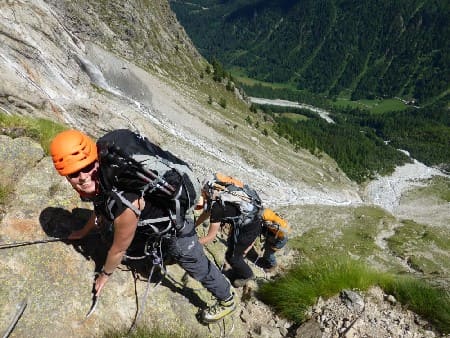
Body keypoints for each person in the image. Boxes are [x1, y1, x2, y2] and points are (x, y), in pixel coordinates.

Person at [49, 129, 235, 323]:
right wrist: (83, 231)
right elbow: (100, 204)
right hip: (151, 219)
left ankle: (227, 299)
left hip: (174, 225)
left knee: (194, 263)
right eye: (73, 174)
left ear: (96, 159)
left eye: (87, 168)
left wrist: (104, 275)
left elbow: (118, 249)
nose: (83, 177)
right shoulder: (105, 175)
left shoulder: (124, 199)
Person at [195, 176, 262, 288]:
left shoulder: (217, 207)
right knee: (231, 247)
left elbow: (210, 237)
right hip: (245, 223)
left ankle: (247, 275)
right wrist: (194, 226)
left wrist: (191, 244)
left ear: (205, 193)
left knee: (233, 257)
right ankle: (238, 270)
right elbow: (206, 213)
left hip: (249, 228)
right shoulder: (215, 196)